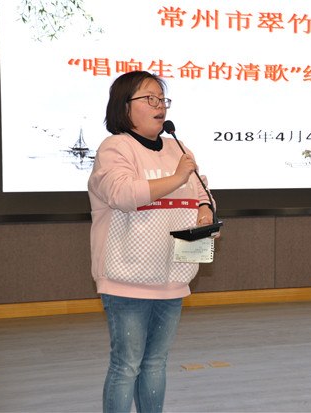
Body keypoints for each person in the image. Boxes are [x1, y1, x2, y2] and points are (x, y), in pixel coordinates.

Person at [88, 70, 217, 413]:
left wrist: (205, 211)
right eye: (150, 99)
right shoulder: (115, 148)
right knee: (126, 365)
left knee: (156, 362)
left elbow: (202, 192)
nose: (160, 105)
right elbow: (123, 194)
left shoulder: (177, 148)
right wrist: (177, 178)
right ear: (124, 106)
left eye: (162, 99)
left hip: (173, 277)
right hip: (126, 279)